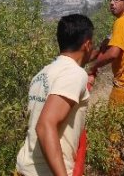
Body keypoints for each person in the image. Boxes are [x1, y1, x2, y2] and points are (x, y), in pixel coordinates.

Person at [16, 14, 94, 176]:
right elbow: (45, 125)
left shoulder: (43, 74)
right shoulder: (74, 74)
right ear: (87, 44)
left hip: (26, 168)